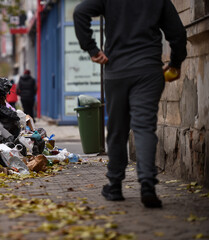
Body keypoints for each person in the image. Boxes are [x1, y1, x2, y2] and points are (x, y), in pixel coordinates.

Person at [73, 0, 187, 208]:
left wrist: (91, 49)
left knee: (117, 130)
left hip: (117, 71)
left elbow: (80, 12)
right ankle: (147, 185)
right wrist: (176, 63)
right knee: (144, 127)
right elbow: (178, 33)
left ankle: (115, 186)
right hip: (148, 70)